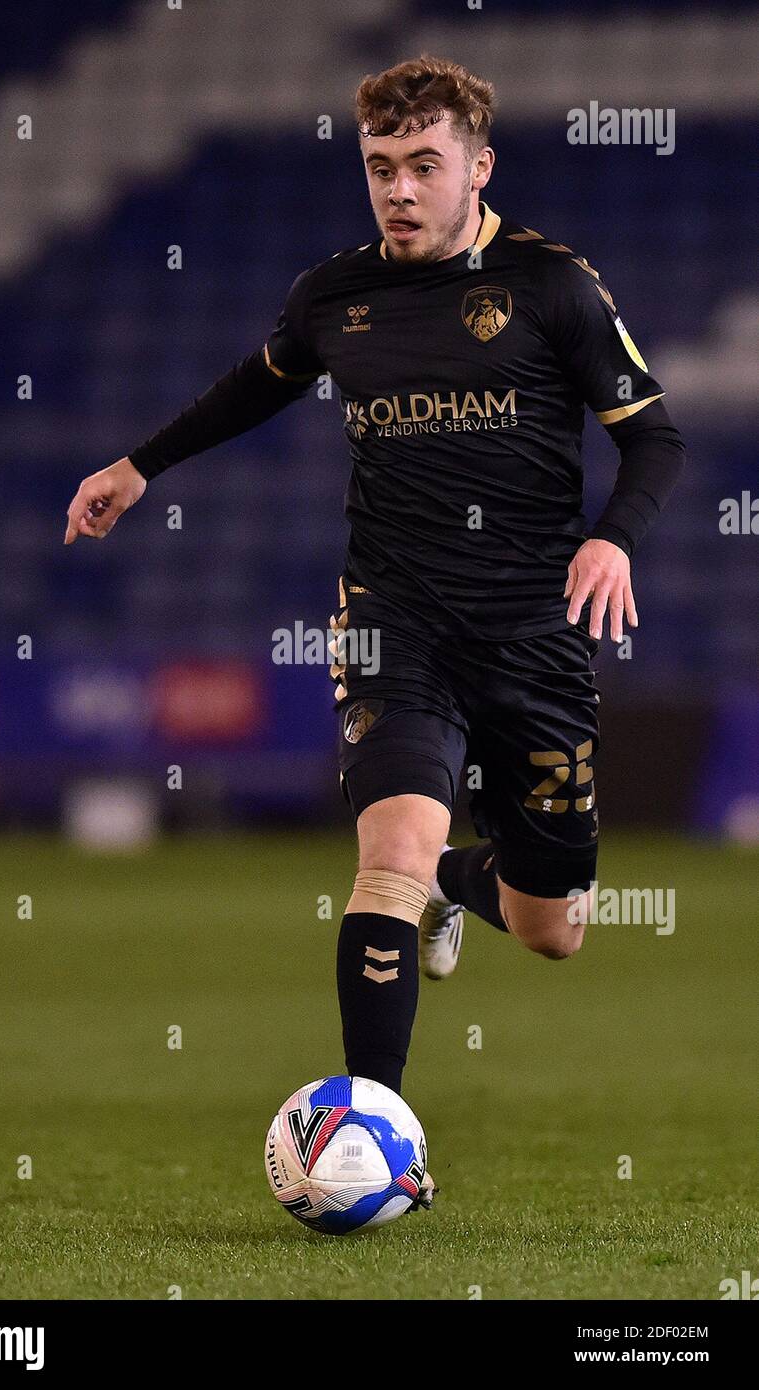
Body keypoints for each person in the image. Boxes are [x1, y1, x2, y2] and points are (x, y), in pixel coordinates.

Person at [65, 56, 685, 1207]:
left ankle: (462, 879)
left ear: (476, 167)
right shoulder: (333, 295)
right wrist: (137, 466)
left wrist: (611, 539)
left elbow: (653, 438)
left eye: (422, 166)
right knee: (383, 859)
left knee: (553, 929)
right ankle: (373, 1136)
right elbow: (253, 384)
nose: (398, 190)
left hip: (532, 633)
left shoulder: (553, 288)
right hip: (392, 621)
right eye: (379, 168)